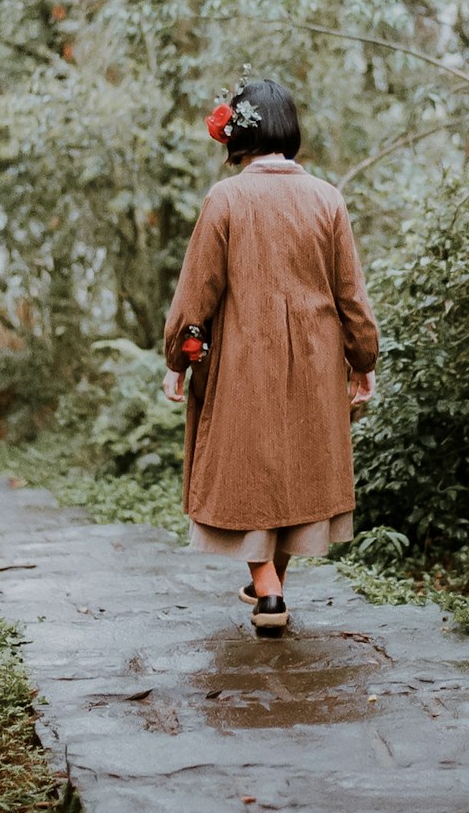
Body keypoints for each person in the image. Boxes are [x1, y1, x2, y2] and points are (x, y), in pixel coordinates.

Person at [162, 75, 378, 633]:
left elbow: (196, 293)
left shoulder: (226, 200)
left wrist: (177, 360)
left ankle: (268, 594)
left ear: (237, 136)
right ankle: (271, 586)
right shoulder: (327, 198)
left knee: (250, 464)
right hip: (314, 358)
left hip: (243, 361)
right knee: (295, 466)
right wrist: (363, 360)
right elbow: (349, 292)